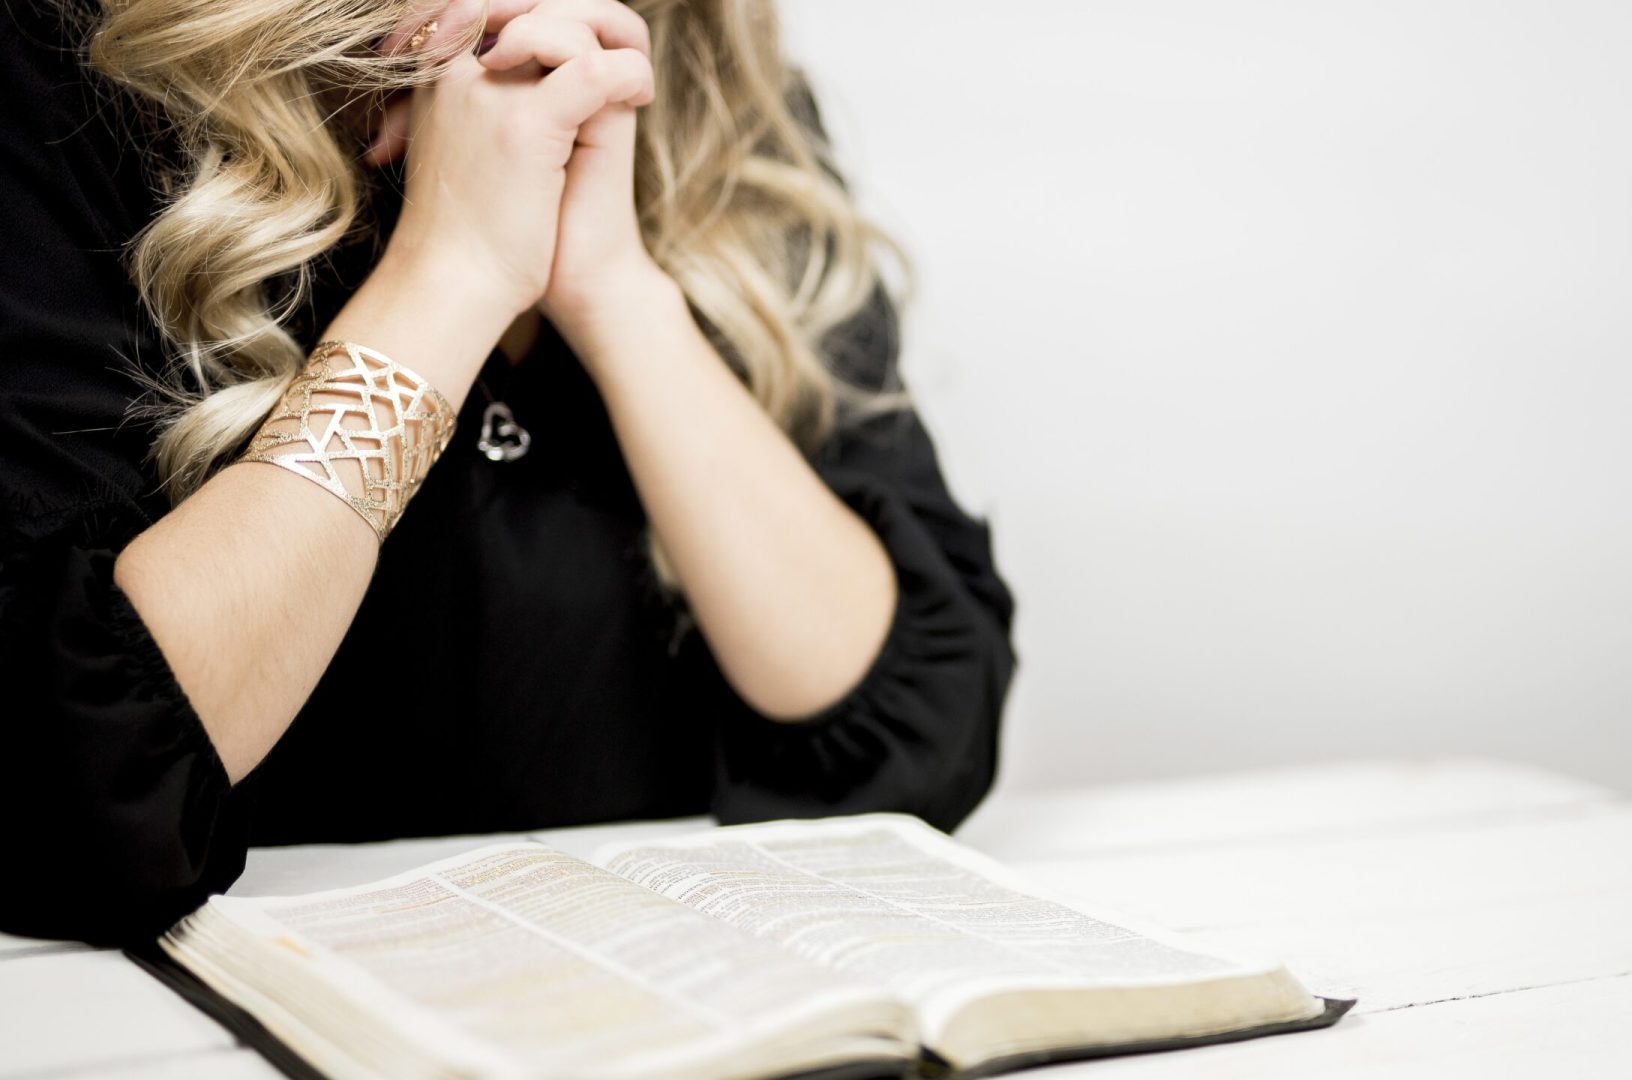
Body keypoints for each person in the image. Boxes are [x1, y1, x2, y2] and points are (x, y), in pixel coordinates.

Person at [0, 0, 1016, 945]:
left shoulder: (712, 93)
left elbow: (917, 749)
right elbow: (67, 803)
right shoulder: (78, 64)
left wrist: (615, 291)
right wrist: (452, 276)